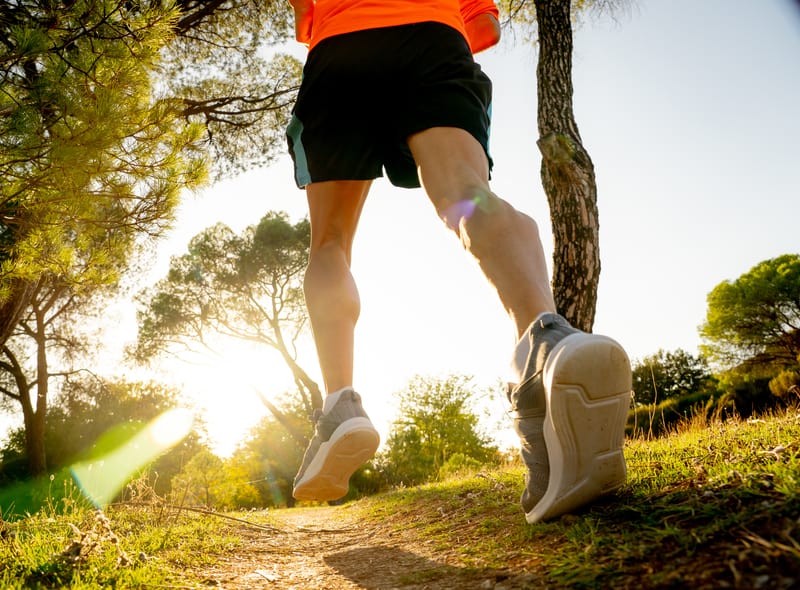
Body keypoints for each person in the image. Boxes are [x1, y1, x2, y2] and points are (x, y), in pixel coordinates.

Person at [284, 0, 632, 524]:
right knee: (466, 196)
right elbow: (486, 23)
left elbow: (303, 18)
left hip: (342, 49)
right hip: (433, 41)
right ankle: (546, 342)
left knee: (330, 244)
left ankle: (340, 406)